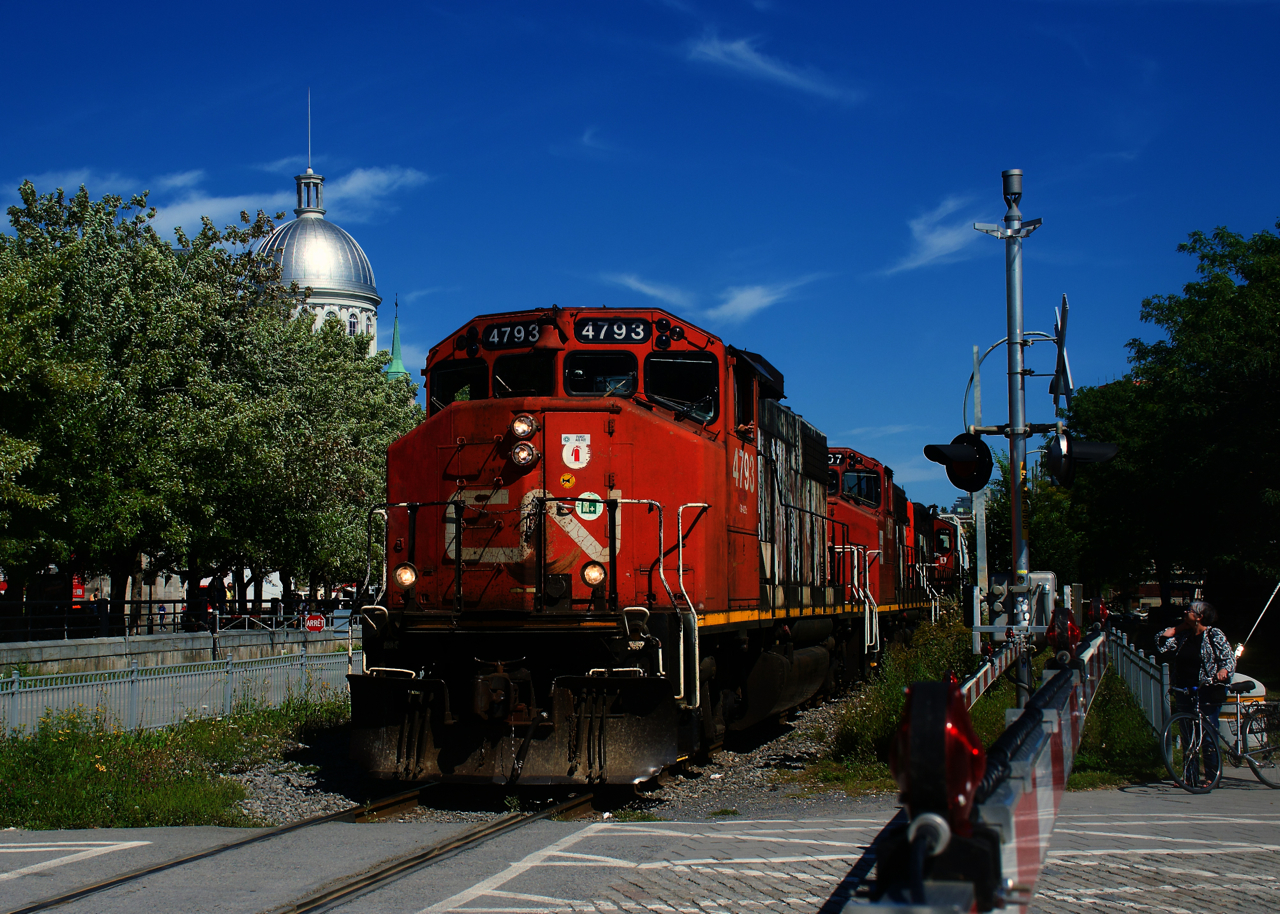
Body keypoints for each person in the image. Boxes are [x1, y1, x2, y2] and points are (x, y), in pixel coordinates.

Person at [1157, 601, 1235, 781]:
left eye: (1190, 610)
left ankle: (1211, 776)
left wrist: (1223, 671)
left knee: (1207, 734)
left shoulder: (1214, 634)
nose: (1185, 611)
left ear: (1200, 617)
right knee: (1188, 737)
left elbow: (1228, 659)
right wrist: (1179, 627)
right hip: (1185, 690)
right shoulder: (1184, 636)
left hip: (1207, 689)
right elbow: (1161, 644)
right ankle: (1189, 777)